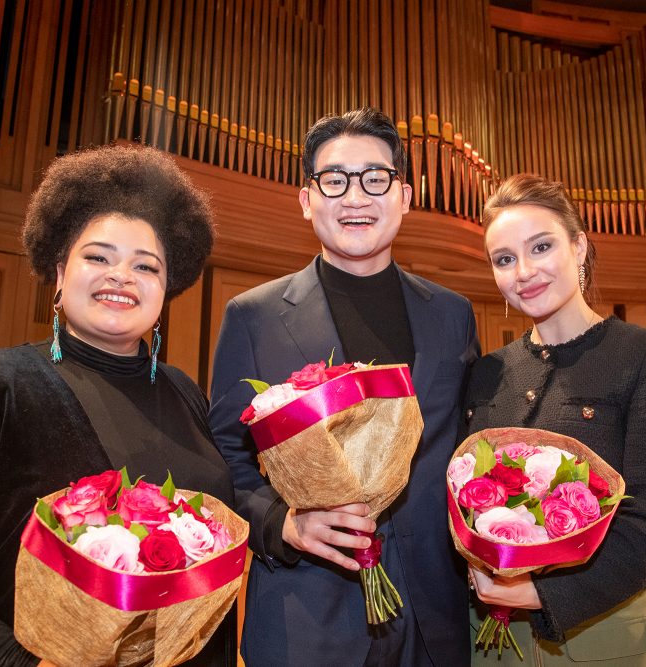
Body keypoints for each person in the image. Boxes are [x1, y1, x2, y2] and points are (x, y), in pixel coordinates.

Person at [0, 145, 235, 667]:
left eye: (145, 266)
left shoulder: (188, 395)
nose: (121, 276)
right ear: (58, 271)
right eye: (98, 257)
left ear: (167, 287)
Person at [208, 107, 480, 666]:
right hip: (308, 612)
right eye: (334, 180)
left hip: (437, 613)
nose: (355, 197)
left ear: (404, 195)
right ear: (307, 200)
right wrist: (282, 524)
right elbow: (223, 463)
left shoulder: (453, 314)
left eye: (375, 178)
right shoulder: (253, 316)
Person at [462, 173, 646, 665]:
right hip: (495, 641)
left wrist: (541, 596)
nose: (524, 271)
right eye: (504, 260)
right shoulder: (489, 371)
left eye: (541, 247)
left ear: (580, 247)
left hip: (607, 630)